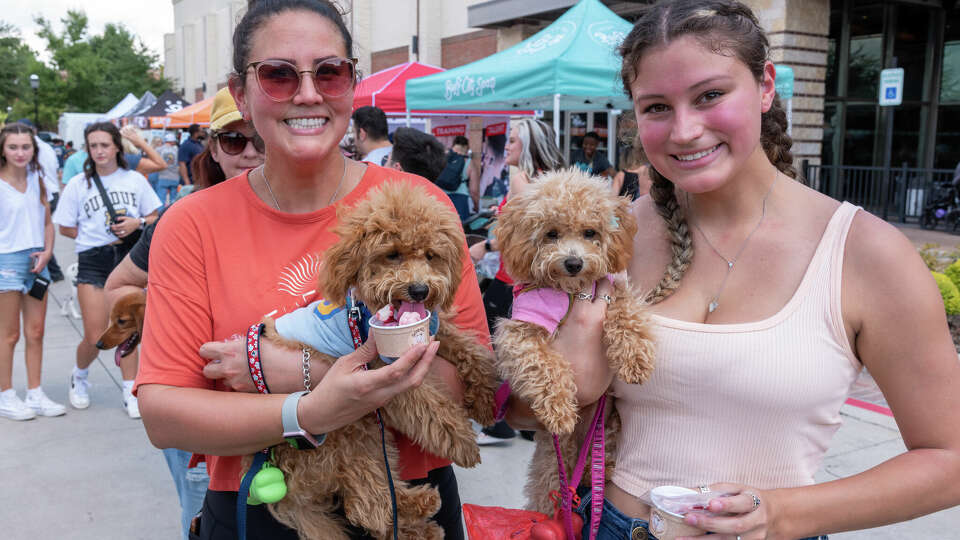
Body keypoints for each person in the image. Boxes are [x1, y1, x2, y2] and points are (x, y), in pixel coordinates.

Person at [506, 1, 960, 538]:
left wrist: (783, 512)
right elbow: (518, 412)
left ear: (765, 86)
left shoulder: (864, 252)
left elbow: (947, 458)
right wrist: (568, 380)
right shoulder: (607, 236)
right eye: (656, 107)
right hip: (606, 523)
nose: (684, 130)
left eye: (710, 95)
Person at [134, 2, 488, 538]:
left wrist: (298, 374)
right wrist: (307, 411)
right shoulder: (191, 224)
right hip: (264, 504)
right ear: (241, 92)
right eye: (278, 74)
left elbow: (462, 384)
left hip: (412, 504)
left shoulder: (422, 204)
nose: (307, 93)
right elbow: (165, 414)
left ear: (352, 83)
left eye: (330, 71)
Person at [104, 86, 263, 540]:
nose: (249, 153)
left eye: (260, 140)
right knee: (202, 515)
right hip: (199, 406)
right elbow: (118, 288)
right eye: (234, 140)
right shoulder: (183, 218)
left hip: (286, 408)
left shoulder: (298, 211)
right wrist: (181, 301)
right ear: (213, 148)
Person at [52, 122, 162, 418]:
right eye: (93, 146)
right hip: (94, 259)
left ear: (116, 146)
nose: (99, 151)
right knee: (95, 333)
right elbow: (64, 226)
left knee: (127, 328)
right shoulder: (78, 184)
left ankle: (130, 389)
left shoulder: (135, 180)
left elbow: (155, 215)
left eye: (104, 145)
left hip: (127, 259)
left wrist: (135, 224)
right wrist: (94, 236)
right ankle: (80, 375)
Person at [469, 118, 564, 445]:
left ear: (526, 145)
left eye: (511, 141)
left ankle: (497, 422)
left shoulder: (520, 178)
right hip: (529, 279)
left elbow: (526, 233)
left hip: (513, 278)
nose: (505, 147)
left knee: (489, 344)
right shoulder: (546, 180)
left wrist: (486, 246)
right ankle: (521, 420)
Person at [0, 123, 65, 421]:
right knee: (9, 335)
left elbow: (47, 222)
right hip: (6, 262)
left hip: (37, 260)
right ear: (3, 149)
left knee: (36, 332)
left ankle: (35, 393)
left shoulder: (38, 177)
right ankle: (6, 395)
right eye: (13, 147)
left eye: (25, 147)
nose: (20, 152)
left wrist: (48, 251)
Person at [156, 133, 181, 205]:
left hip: (162, 176)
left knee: (161, 199)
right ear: (173, 141)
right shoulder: (177, 150)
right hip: (175, 177)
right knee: (173, 201)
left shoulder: (159, 149)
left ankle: (161, 215)